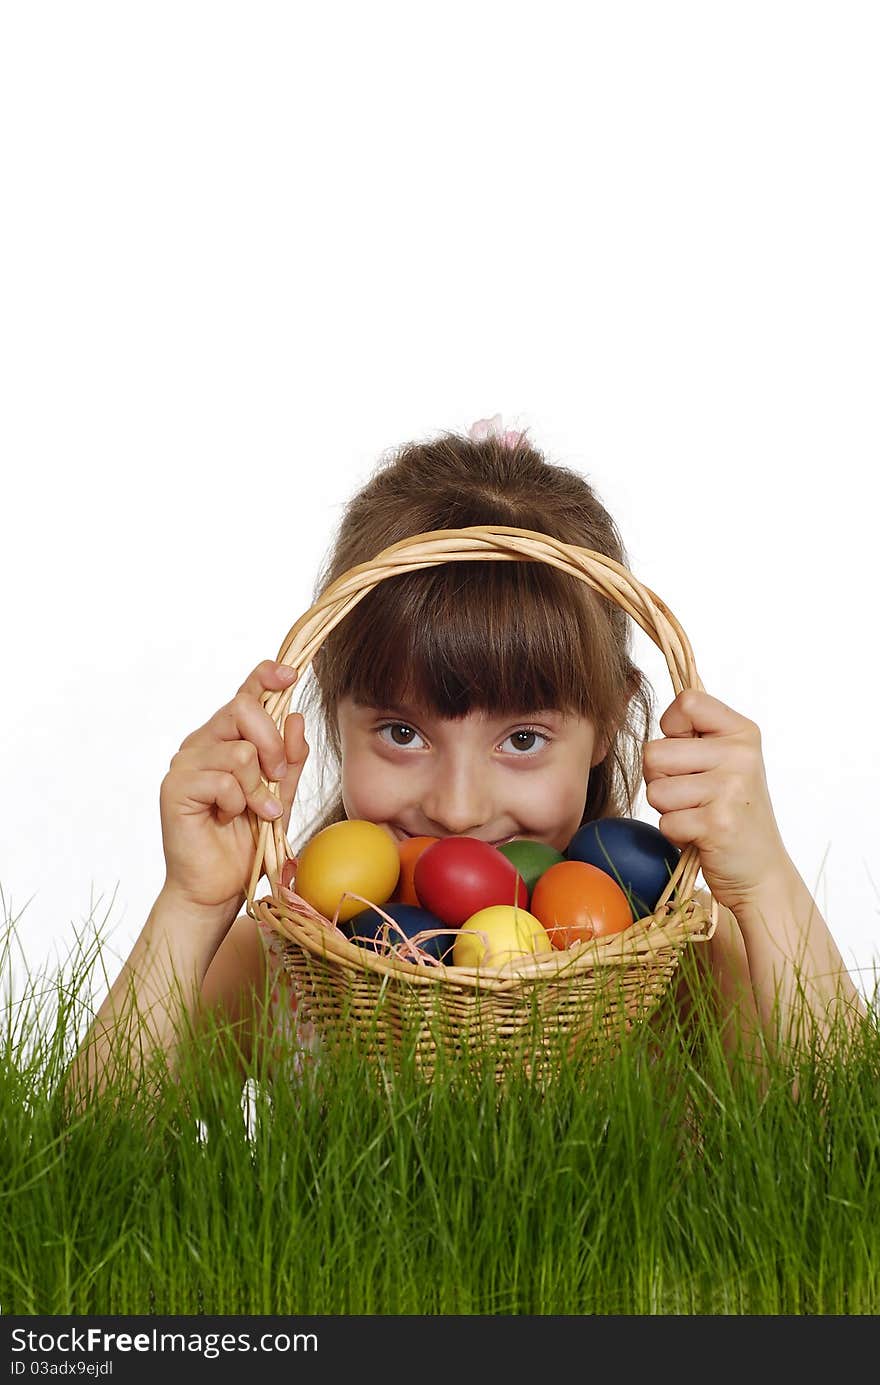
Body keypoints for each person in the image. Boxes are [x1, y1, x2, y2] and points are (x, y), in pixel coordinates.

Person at [66, 416, 867, 1101]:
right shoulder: (294, 967)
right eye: (402, 733)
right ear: (330, 717)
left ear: (608, 725)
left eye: (522, 739)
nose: (454, 807)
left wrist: (766, 886)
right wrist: (193, 904)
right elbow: (89, 1166)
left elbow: (843, 1151)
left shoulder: (676, 968)